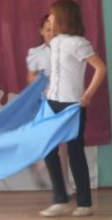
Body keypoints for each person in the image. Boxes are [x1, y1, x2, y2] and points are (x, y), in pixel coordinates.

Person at [40, 0, 107, 217]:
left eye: (52, 14)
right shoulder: (56, 42)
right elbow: (58, 72)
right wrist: (50, 89)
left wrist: (87, 95)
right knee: (48, 149)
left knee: (75, 151)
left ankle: (85, 203)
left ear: (62, 16)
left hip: (72, 105)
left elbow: (100, 68)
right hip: (53, 103)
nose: (49, 18)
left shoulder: (79, 43)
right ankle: (61, 198)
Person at [26, 14, 75, 191]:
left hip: (64, 99)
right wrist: (45, 81)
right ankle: (49, 172)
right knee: (56, 141)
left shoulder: (67, 49)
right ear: (41, 31)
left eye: (54, 30)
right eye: (47, 30)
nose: (51, 33)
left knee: (62, 143)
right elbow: (30, 78)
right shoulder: (36, 53)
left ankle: (58, 178)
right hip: (46, 102)